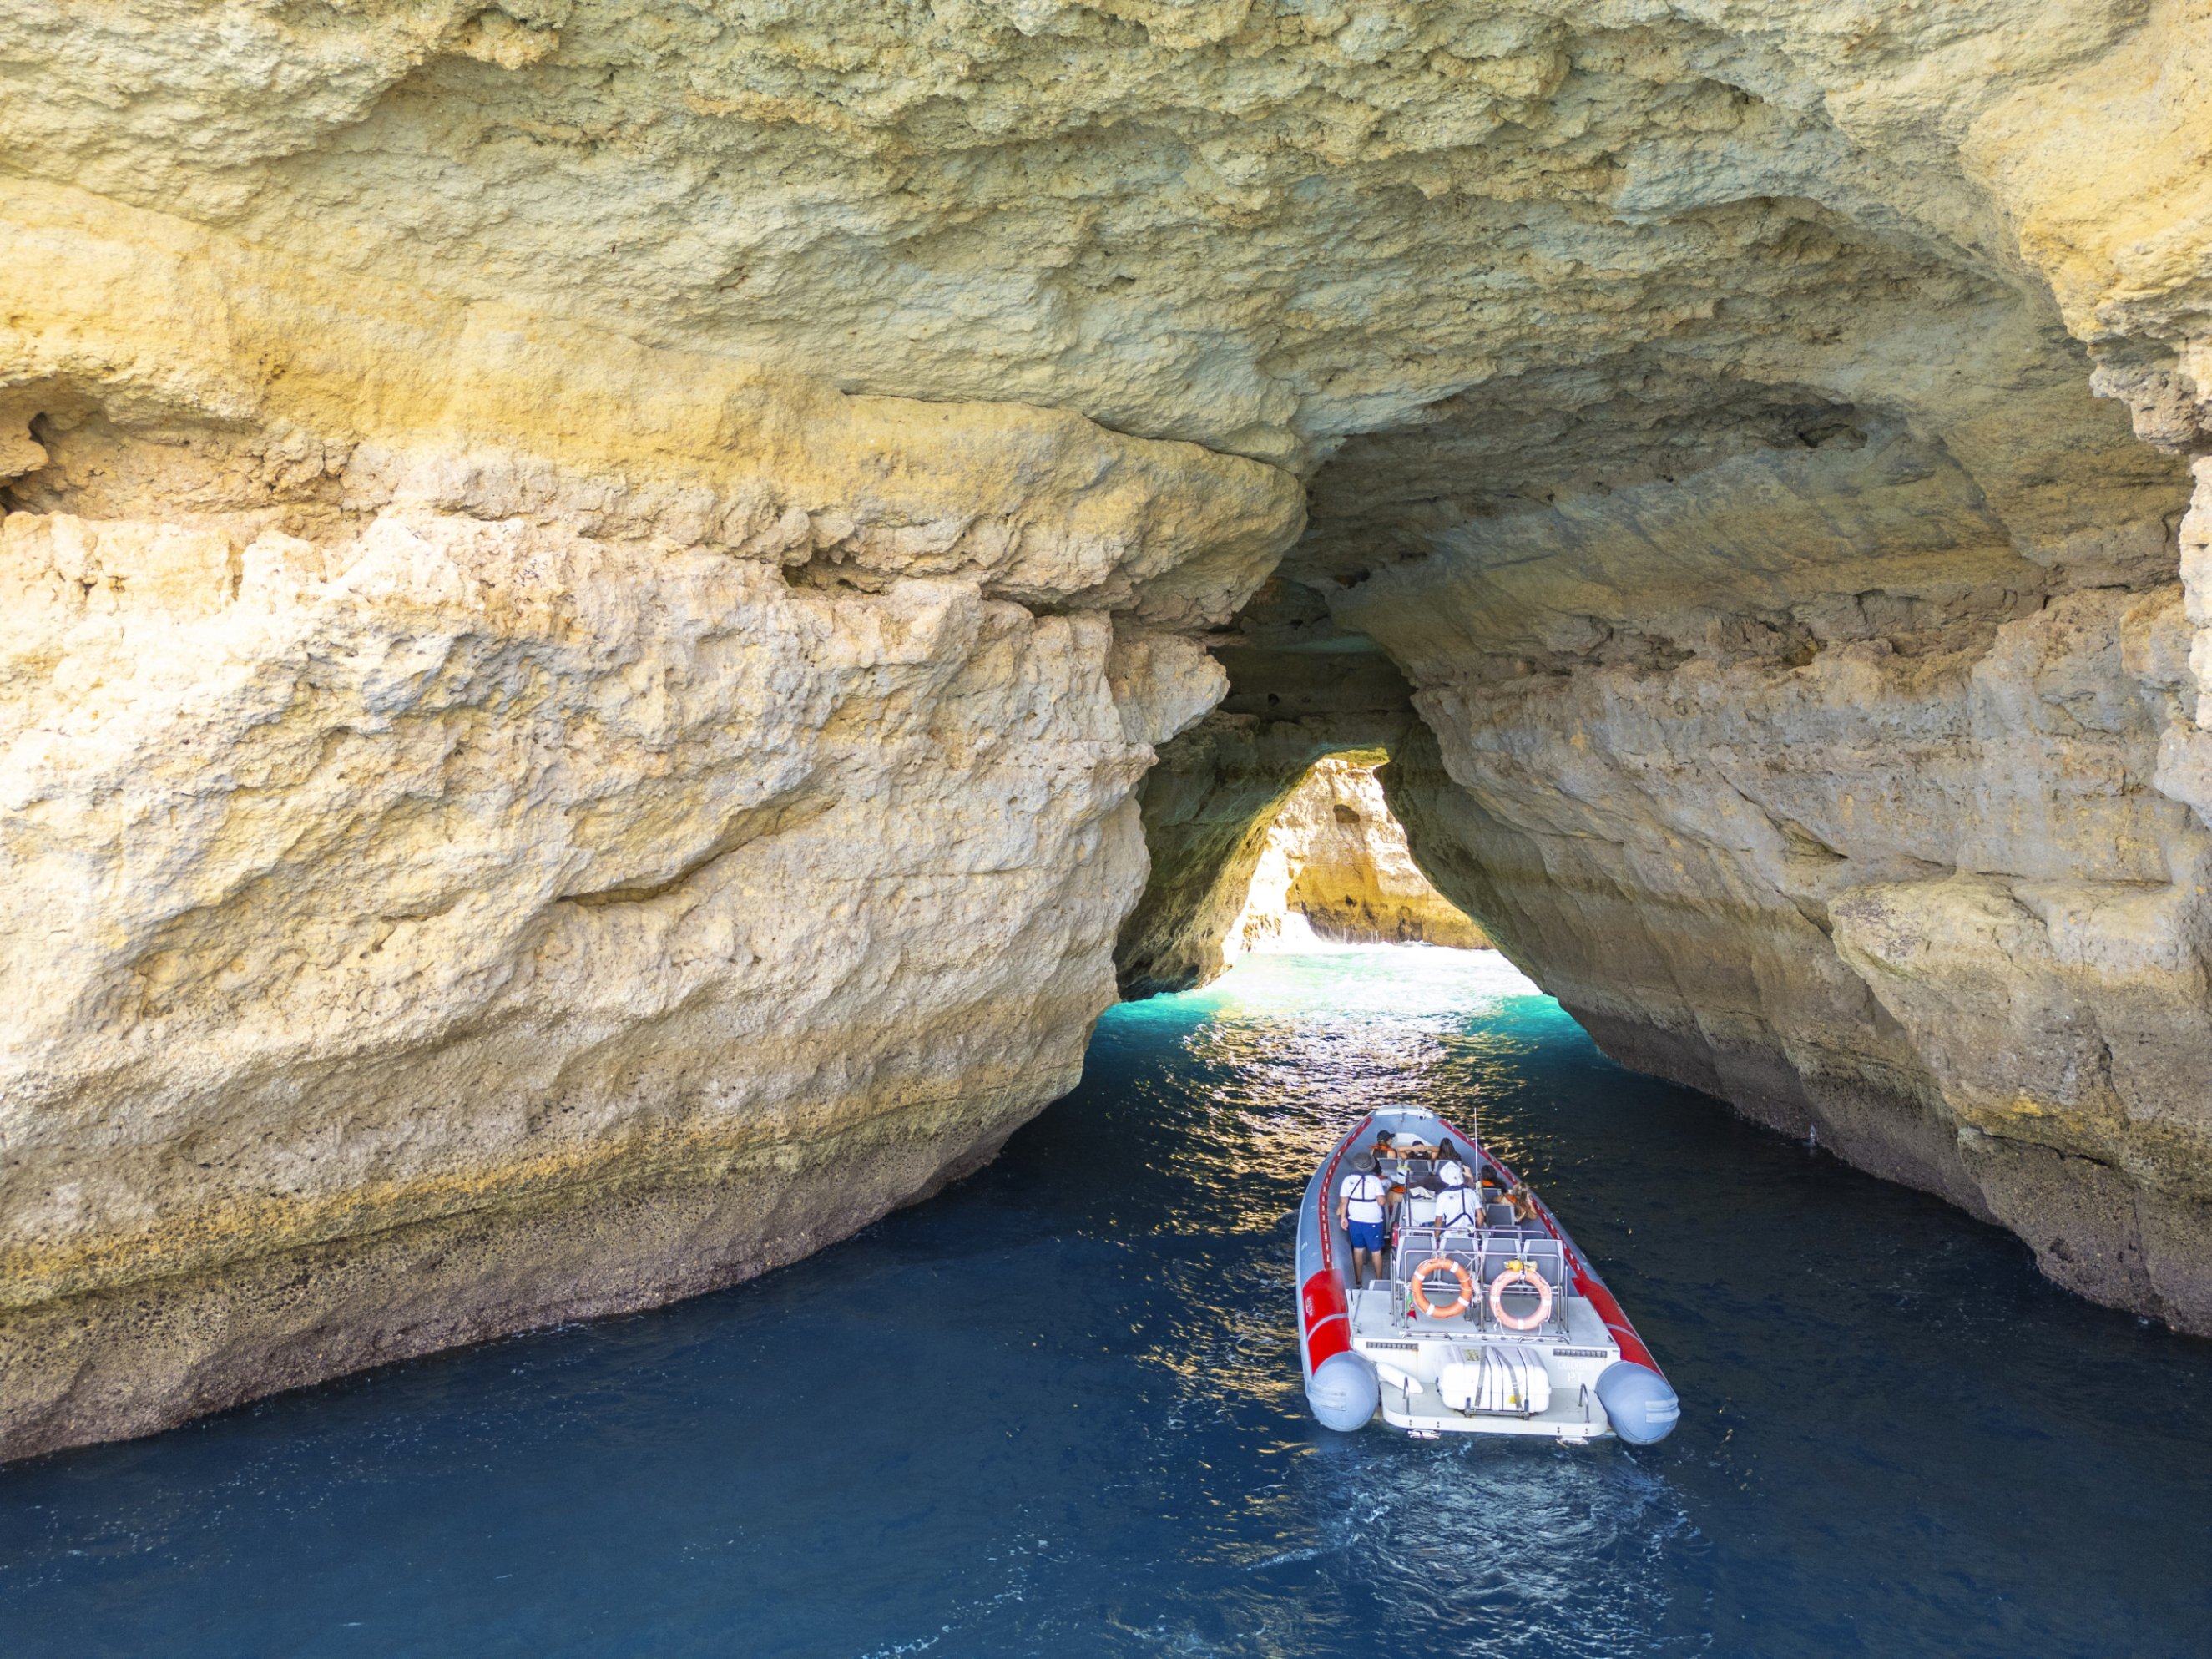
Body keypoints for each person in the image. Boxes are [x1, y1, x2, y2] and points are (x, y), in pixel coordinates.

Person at [1337, 1151, 1391, 1289]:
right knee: (1376, 1251)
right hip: (1373, 1221)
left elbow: (1343, 1202)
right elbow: (1382, 1202)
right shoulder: (1375, 1180)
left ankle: (1358, 1281)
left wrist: (1343, 1218)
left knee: (1358, 1250)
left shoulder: (1347, 1180)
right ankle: (1379, 1280)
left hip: (1355, 1219)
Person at [1432, 1160, 1482, 1232]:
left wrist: (1436, 1238)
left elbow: (1438, 1220)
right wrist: (1477, 1233)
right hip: (1470, 1235)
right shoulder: (1472, 1193)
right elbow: (1481, 1217)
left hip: (1450, 1236)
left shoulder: (1443, 1196)